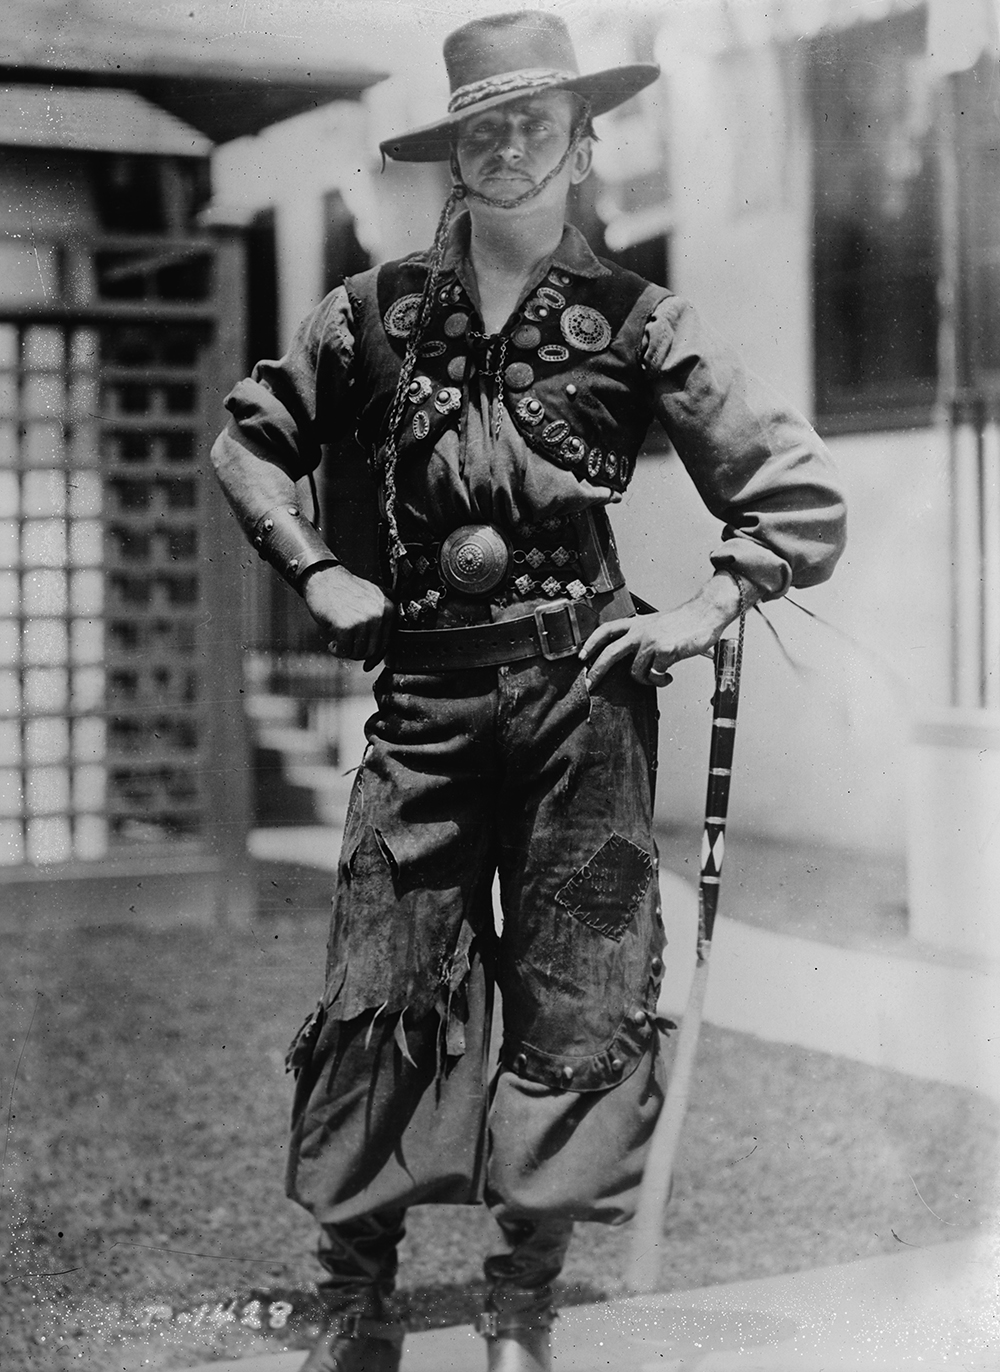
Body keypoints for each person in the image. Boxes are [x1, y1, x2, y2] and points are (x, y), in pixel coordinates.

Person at [211, 11, 846, 1371]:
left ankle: (522, 1307)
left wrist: (703, 605)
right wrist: (318, 572)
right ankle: (354, 1298)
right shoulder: (371, 315)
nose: (510, 147)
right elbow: (250, 444)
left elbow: (791, 492)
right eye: (484, 128)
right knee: (380, 985)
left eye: (535, 123)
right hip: (425, 708)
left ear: (580, 139)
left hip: (583, 705)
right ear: (455, 151)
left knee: (579, 987)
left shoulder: (635, 319)